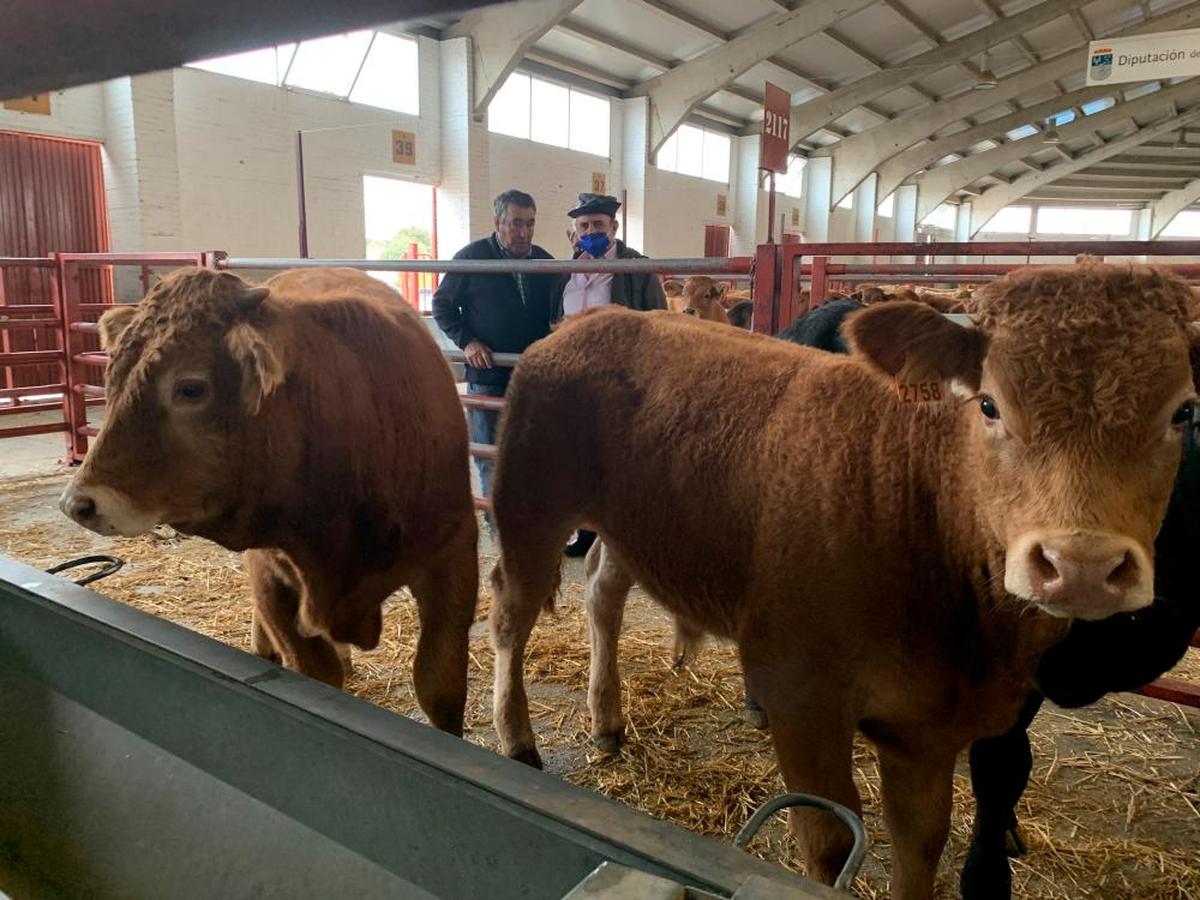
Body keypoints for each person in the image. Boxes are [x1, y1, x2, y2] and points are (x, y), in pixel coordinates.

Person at [432, 189, 557, 527]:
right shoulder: (472, 258)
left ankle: (530, 518)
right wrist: (467, 341)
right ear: (497, 222)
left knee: (530, 450)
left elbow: (558, 311)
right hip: (488, 376)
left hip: (533, 376)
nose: (524, 232)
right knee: (490, 452)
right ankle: (497, 521)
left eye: (530, 224)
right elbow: (442, 306)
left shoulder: (546, 262)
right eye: (515, 223)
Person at [553, 193, 667, 557]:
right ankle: (587, 533)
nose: (591, 232)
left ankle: (624, 535)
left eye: (598, 225)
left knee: (618, 456)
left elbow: (658, 321)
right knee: (579, 456)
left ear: (614, 228)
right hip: (574, 380)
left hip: (619, 380)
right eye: (584, 226)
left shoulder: (636, 269)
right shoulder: (567, 270)